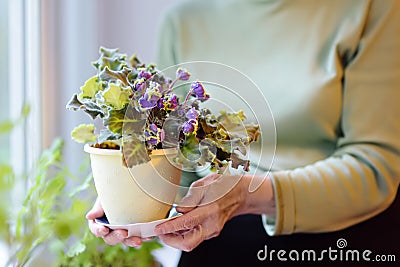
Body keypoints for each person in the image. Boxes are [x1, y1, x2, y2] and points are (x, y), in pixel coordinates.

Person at [87, 0, 400, 266]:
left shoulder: (370, 8)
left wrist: (245, 196)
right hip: (215, 241)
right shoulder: (184, 20)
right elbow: (177, 163)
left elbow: (375, 168)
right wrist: (133, 193)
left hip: (340, 242)